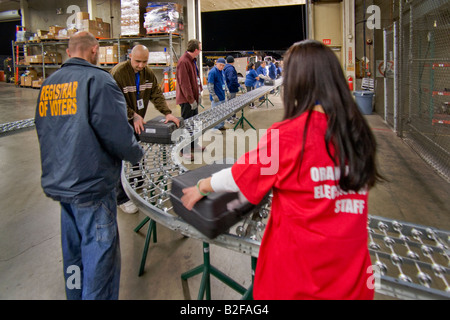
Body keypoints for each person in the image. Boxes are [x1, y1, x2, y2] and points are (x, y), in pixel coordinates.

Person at [180, 40, 383, 300]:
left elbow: (241, 176)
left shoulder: (288, 136)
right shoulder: (358, 132)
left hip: (298, 281)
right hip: (352, 281)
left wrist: (202, 186)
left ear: (296, 82)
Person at [34, 31, 144, 300]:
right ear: (94, 50)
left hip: (62, 187)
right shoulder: (99, 81)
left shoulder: (49, 84)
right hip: (91, 187)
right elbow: (117, 133)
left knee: (74, 258)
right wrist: (136, 154)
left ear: (69, 51)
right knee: (100, 261)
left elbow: (44, 130)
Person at [110, 45, 179, 213]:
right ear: (130, 57)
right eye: (137, 61)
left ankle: (137, 182)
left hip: (137, 122)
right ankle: (121, 198)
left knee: (136, 152)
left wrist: (167, 113)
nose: (141, 65)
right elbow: (113, 99)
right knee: (118, 160)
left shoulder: (147, 74)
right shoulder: (118, 73)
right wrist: (132, 115)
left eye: (144, 62)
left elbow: (156, 94)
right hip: (118, 122)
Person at [176, 39, 205, 159]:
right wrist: (191, 100)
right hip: (187, 101)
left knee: (194, 124)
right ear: (196, 49)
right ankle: (184, 150)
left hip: (193, 98)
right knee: (187, 125)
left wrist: (199, 93)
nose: (201, 50)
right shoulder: (184, 61)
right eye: (200, 47)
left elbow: (195, 79)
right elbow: (184, 84)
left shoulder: (192, 61)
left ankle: (194, 145)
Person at [207, 58, 229, 131]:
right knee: (216, 113)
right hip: (216, 97)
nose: (221, 67)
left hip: (222, 95)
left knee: (222, 112)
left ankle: (221, 126)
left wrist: (227, 90)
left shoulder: (222, 71)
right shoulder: (212, 72)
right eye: (220, 65)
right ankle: (215, 128)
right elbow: (210, 85)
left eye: (223, 65)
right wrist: (213, 95)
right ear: (216, 64)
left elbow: (224, 82)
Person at [223, 55, 240, 123]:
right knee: (230, 104)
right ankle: (228, 118)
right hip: (231, 88)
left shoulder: (226, 67)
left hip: (229, 88)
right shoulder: (230, 68)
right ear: (233, 61)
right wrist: (238, 85)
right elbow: (232, 79)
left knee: (232, 103)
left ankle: (233, 116)